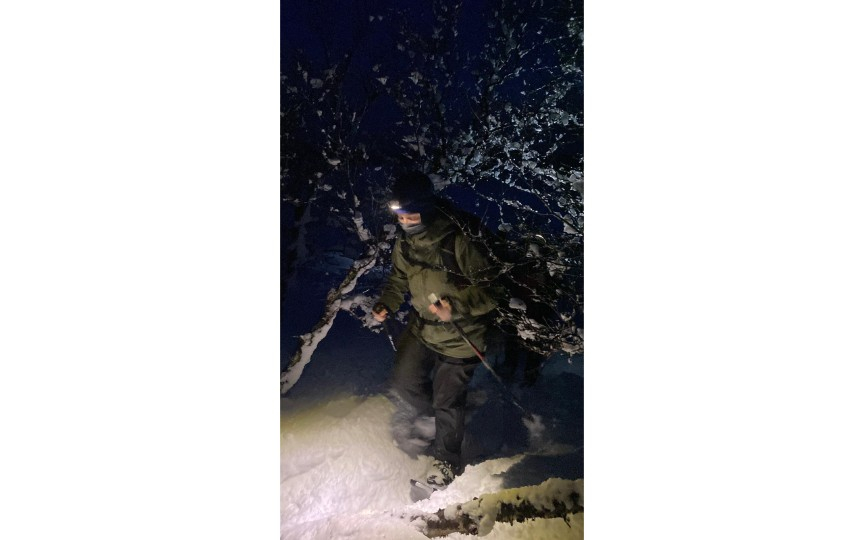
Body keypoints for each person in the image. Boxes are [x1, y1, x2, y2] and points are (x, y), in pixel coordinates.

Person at [372, 171, 499, 487]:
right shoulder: (406, 242)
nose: (405, 222)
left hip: (461, 335)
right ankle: (448, 421)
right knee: (405, 382)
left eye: (411, 216)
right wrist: (387, 302)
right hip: (423, 329)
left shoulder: (458, 241)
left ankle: (446, 462)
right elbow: (398, 278)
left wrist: (455, 307)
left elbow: (493, 290)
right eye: (401, 216)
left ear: (426, 210)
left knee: (447, 401)